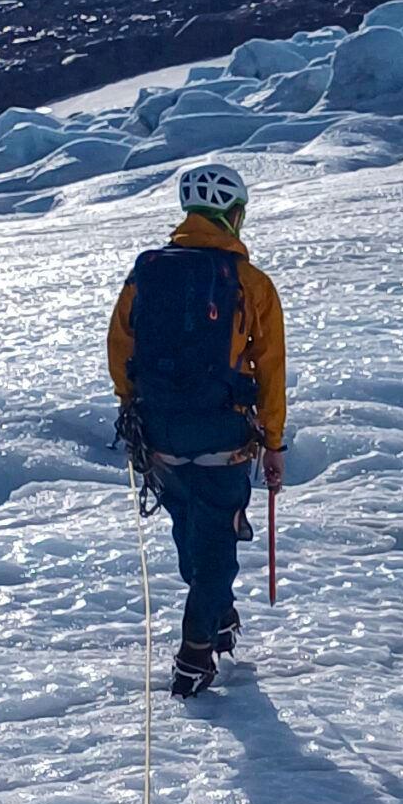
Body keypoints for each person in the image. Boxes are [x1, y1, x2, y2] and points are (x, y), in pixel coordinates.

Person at [108, 161, 288, 698]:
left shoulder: (146, 272)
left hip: (160, 433)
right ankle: (195, 651)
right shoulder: (250, 283)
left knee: (191, 531)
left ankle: (218, 614)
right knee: (217, 542)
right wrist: (273, 443)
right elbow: (270, 368)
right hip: (223, 435)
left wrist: (134, 407)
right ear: (234, 214)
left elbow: (121, 350)